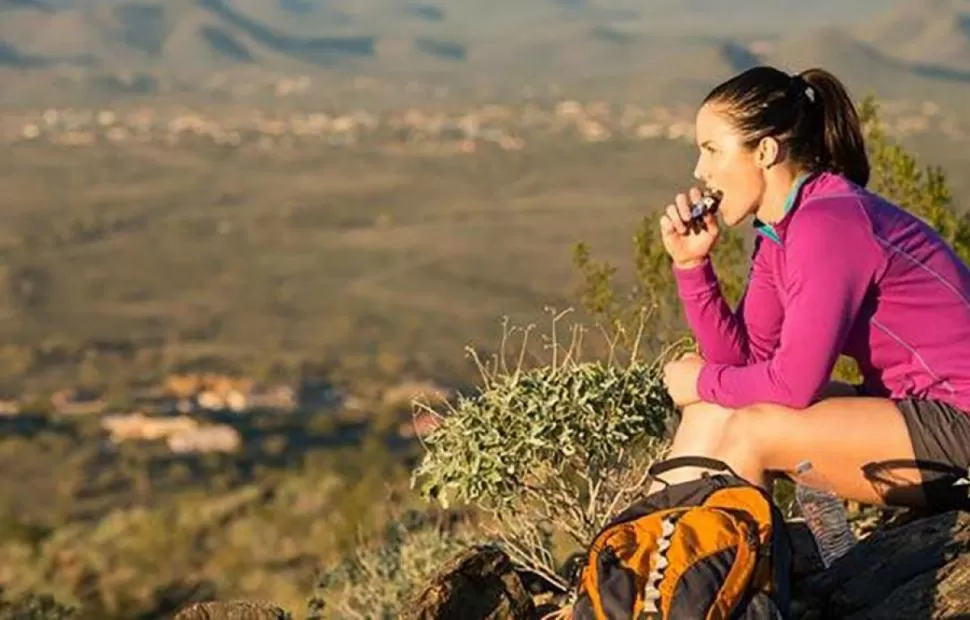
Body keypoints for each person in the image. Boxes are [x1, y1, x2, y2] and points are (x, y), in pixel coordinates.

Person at [654, 65, 970, 514]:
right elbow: (743, 362)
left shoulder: (827, 223)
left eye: (711, 150)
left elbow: (792, 386)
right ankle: (650, 565)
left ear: (764, 151)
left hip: (958, 421)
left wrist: (700, 379)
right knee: (711, 410)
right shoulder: (780, 231)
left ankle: (720, 577)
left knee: (751, 429)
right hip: (911, 408)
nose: (700, 170)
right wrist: (692, 266)